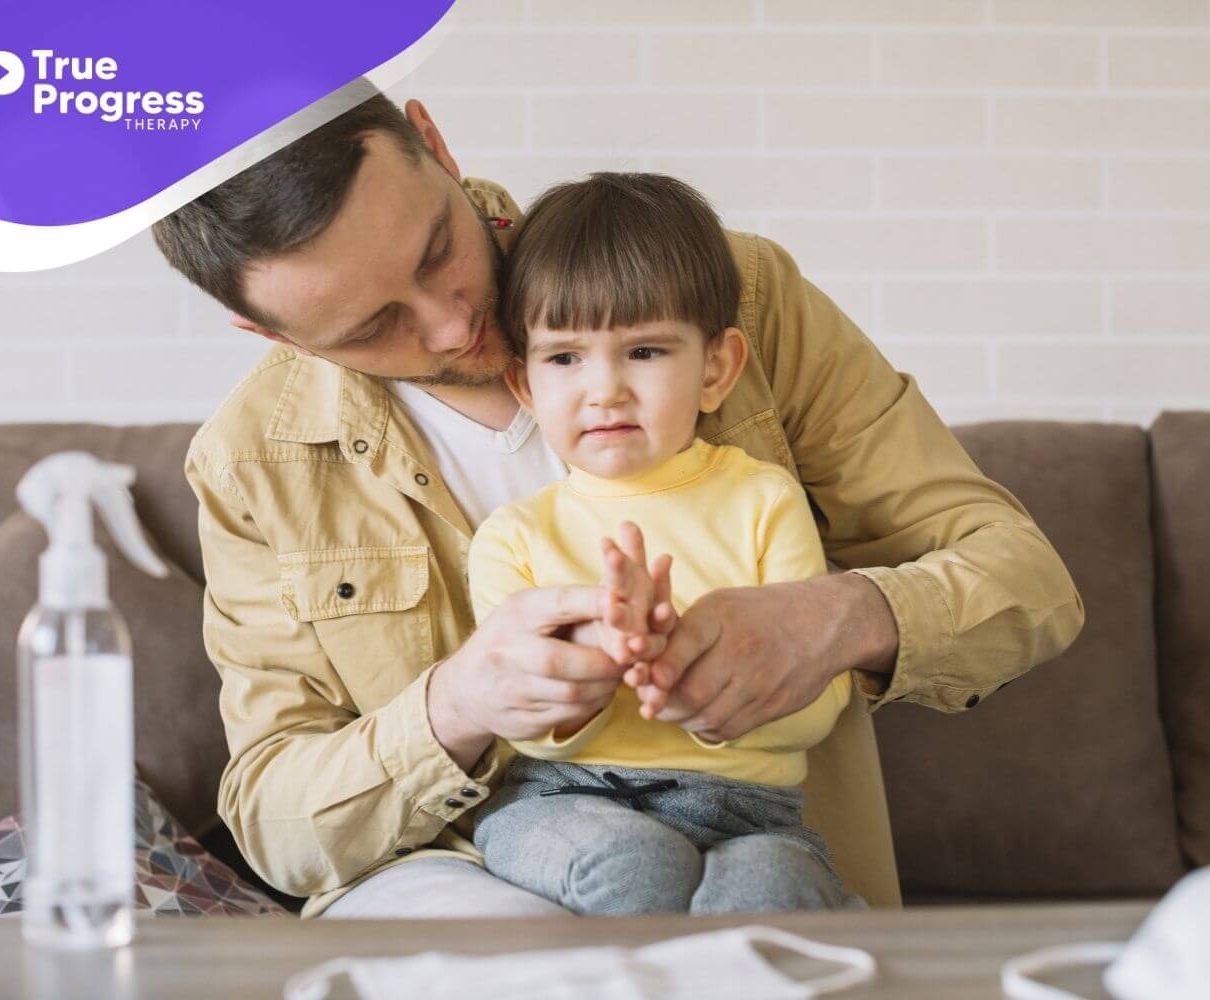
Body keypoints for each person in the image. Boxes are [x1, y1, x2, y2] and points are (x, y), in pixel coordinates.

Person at [151, 82, 1084, 918]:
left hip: (752, 859)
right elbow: (275, 821)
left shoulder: (734, 294)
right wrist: (458, 705)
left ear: (434, 141)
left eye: (438, 251)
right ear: (263, 329)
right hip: (445, 885)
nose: (451, 321)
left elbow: (1030, 582)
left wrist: (844, 616)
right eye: (373, 326)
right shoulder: (251, 463)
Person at [468, 172, 863, 915]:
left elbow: (820, 707)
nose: (605, 389)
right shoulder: (513, 538)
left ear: (717, 368)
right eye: (565, 359)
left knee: (773, 881)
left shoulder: (763, 500)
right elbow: (528, 731)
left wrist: (702, 690)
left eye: (645, 352)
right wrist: (592, 663)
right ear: (524, 383)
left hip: (748, 808)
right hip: (564, 799)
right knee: (636, 861)